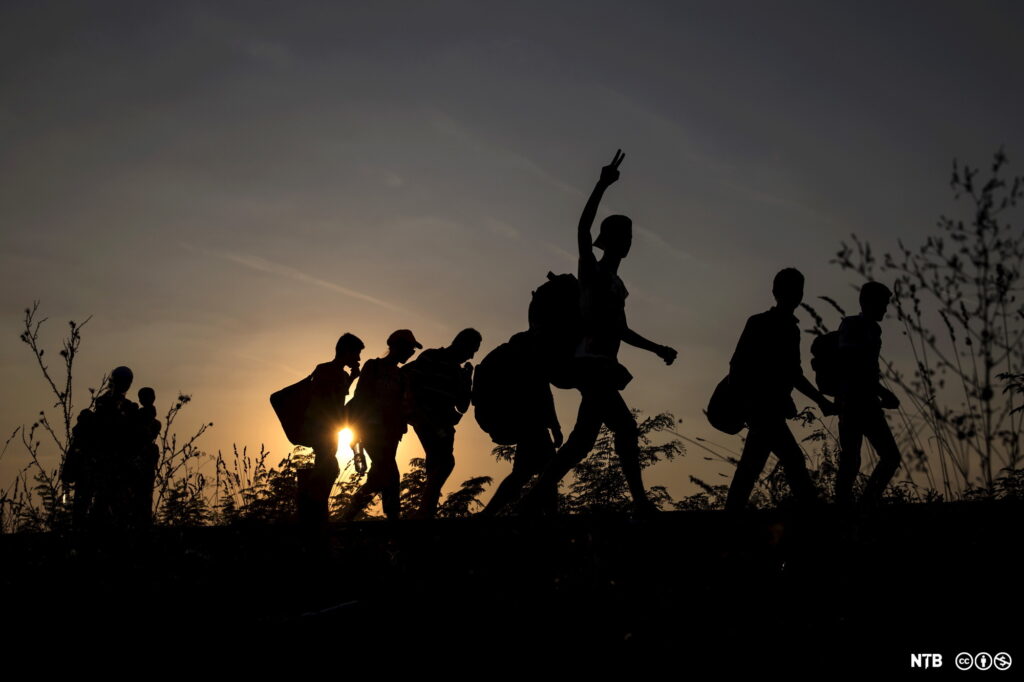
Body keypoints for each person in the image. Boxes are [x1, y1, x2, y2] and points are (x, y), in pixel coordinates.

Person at [523, 150, 677, 517]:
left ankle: (534, 497)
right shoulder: (591, 273)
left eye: (629, 234)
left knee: (582, 442)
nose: (629, 239)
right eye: (624, 234)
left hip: (603, 365)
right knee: (625, 428)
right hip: (589, 364)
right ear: (610, 241)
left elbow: (620, 330)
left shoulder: (616, 284)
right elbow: (582, 230)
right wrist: (601, 184)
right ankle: (640, 502)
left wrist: (656, 348)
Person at [724, 269, 835, 511]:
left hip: (770, 409)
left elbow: (794, 373)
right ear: (776, 292)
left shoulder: (792, 330)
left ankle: (731, 516)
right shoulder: (758, 322)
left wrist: (820, 400)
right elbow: (737, 365)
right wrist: (745, 403)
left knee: (752, 465)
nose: (795, 294)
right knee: (790, 460)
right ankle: (815, 517)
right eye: (790, 289)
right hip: (761, 408)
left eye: (798, 289)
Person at [475, 330, 563, 517]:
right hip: (526, 422)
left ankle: (491, 513)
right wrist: (555, 426)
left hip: (512, 423)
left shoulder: (499, 357)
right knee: (547, 470)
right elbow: (544, 394)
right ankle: (549, 515)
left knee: (526, 472)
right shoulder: (525, 359)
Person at [341, 330, 422, 521]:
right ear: (396, 346)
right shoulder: (373, 366)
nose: (411, 352)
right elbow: (360, 398)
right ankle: (393, 521)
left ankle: (347, 517)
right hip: (371, 430)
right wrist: (356, 434)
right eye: (409, 348)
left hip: (392, 434)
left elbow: (404, 406)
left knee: (379, 477)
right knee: (391, 475)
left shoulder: (402, 376)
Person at [403, 328, 482, 519]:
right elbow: (412, 386)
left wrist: (467, 380)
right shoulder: (431, 356)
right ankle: (424, 511)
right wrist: (421, 414)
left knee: (436, 465)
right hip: (427, 419)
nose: (471, 355)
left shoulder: (457, 371)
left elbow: (462, 406)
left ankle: (427, 511)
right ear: (461, 343)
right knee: (446, 462)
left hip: (444, 424)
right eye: (472, 349)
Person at [836, 281, 901, 506]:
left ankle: (863, 504)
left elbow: (865, 369)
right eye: (882, 304)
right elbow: (850, 364)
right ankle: (848, 507)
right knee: (852, 460)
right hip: (852, 402)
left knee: (883, 457)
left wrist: (880, 393)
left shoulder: (874, 330)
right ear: (866, 303)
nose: (885, 309)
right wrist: (882, 392)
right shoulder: (851, 325)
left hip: (867, 402)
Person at [299, 333, 364, 525]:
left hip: (330, 428)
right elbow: (327, 401)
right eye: (357, 354)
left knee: (327, 466)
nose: (358, 359)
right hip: (321, 428)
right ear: (346, 352)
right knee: (327, 467)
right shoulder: (325, 370)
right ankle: (312, 509)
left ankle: (315, 510)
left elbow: (338, 397)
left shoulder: (340, 374)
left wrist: (351, 378)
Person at [132, 387, 161, 528]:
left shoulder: (138, 418)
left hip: (141, 462)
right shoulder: (141, 418)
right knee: (143, 496)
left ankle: (143, 525)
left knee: (142, 496)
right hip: (139, 461)